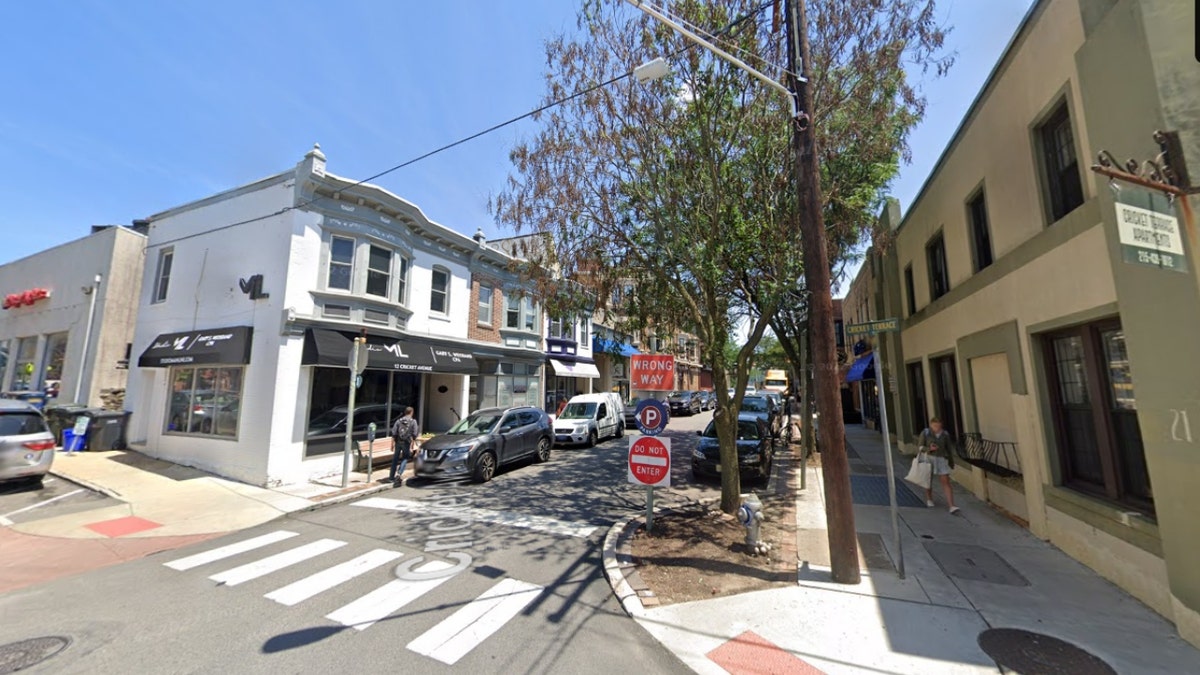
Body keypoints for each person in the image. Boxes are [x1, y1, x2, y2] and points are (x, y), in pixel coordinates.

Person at [918, 417, 960, 514]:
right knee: (928, 479)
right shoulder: (926, 433)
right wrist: (929, 449)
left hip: (941, 459)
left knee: (945, 481)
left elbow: (949, 449)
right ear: (931, 425)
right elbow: (920, 447)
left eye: (939, 426)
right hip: (929, 458)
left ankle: (951, 505)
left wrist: (951, 461)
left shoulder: (945, 434)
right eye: (935, 426)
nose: (937, 428)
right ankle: (929, 498)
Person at [389, 407, 419, 487]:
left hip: (398, 442)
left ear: (405, 412)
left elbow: (394, 433)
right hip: (407, 442)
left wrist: (392, 444)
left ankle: (391, 477)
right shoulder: (413, 421)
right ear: (411, 412)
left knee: (395, 458)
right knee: (405, 458)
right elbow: (415, 433)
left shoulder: (398, 421)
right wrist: (413, 444)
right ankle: (399, 474)